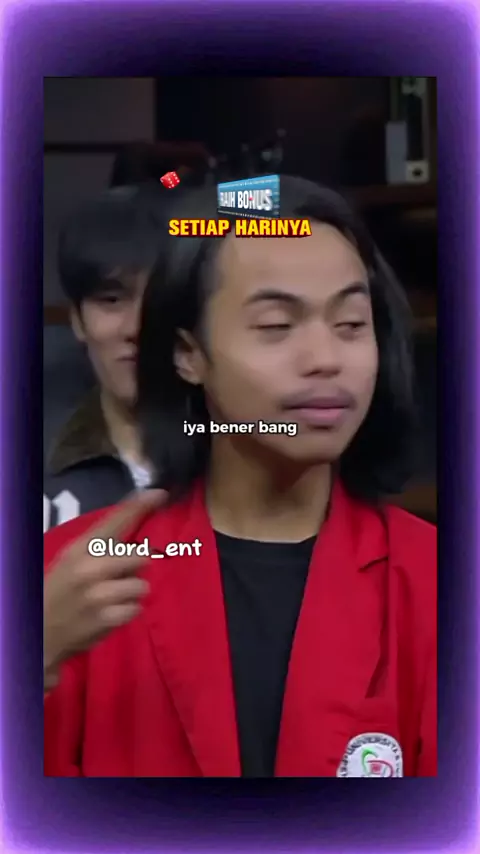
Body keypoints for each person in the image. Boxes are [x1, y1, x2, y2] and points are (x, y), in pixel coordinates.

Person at [43, 177, 436, 777]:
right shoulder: (70, 579)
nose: (326, 359)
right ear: (187, 354)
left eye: (351, 324)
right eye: (276, 326)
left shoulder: (436, 578)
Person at [43, 185, 171, 531]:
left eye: (159, 298)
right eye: (111, 300)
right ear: (77, 320)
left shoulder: (256, 459)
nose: (137, 327)